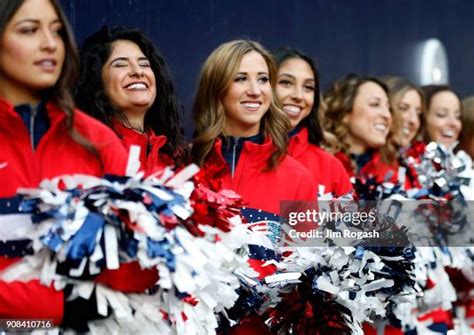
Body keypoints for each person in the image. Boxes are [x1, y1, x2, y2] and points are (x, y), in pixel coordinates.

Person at [0, 0, 153, 330]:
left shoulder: (97, 140)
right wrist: (54, 308)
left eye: (56, 31)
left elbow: (134, 259)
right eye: (29, 30)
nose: (49, 43)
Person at [191, 40, 317, 215]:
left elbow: (354, 236)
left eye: (263, 79)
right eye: (241, 78)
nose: (255, 91)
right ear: (216, 88)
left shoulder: (299, 178)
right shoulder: (184, 166)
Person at [75, 26, 188, 175]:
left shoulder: (176, 159)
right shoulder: (85, 154)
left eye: (144, 64)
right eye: (121, 64)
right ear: (95, 80)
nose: (138, 71)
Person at [274, 47, 352, 197]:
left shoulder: (331, 167)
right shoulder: (236, 156)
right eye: (286, 83)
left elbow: (349, 220)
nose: (299, 96)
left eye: (308, 87)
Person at [323, 74, 399, 185]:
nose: (387, 115)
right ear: (345, 113)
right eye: (374, 104)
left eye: (388, 108)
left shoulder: (392, 170)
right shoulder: (319, 164)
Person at [383, 77, 424, 148]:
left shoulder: (417, 157)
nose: (414, 121)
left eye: (418, 113)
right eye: (403, 108)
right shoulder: (364, 158)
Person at [420, 85, 462, 150]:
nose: (453, 123)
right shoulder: (405, 158)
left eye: (458, 117)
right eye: (441, 115)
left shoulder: (464, 159)